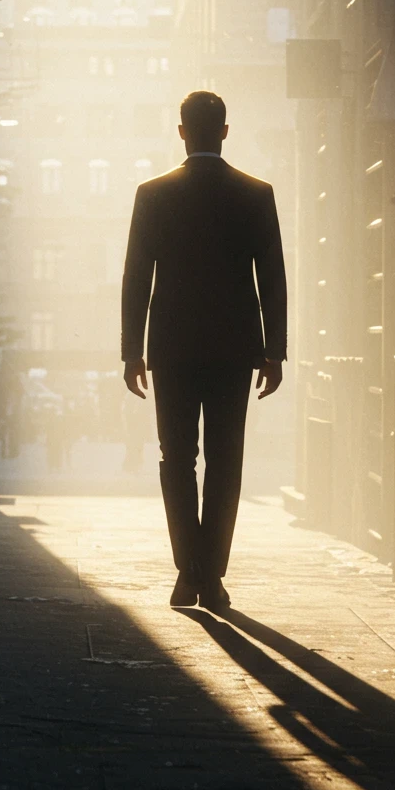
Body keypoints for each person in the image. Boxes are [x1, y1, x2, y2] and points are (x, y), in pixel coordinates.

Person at [121, 90, 286, 610]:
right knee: (225, 459)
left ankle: (186, 571)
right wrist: (274, 350)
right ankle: (212, 575)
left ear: (182, 132)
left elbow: (136, 278)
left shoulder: (153, 194)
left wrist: (132, 350)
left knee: (177, 459)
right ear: (225, 131)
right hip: (235, 348)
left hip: (171, 347)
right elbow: (273, 279)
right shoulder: (255, 194)